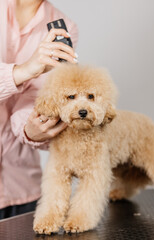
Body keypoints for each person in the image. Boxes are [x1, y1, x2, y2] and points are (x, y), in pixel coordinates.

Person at [0, 0, 78, 219]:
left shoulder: (64, 27)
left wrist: (31, 130)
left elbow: (35, 99)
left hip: (23, 188)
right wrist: (24, 70)